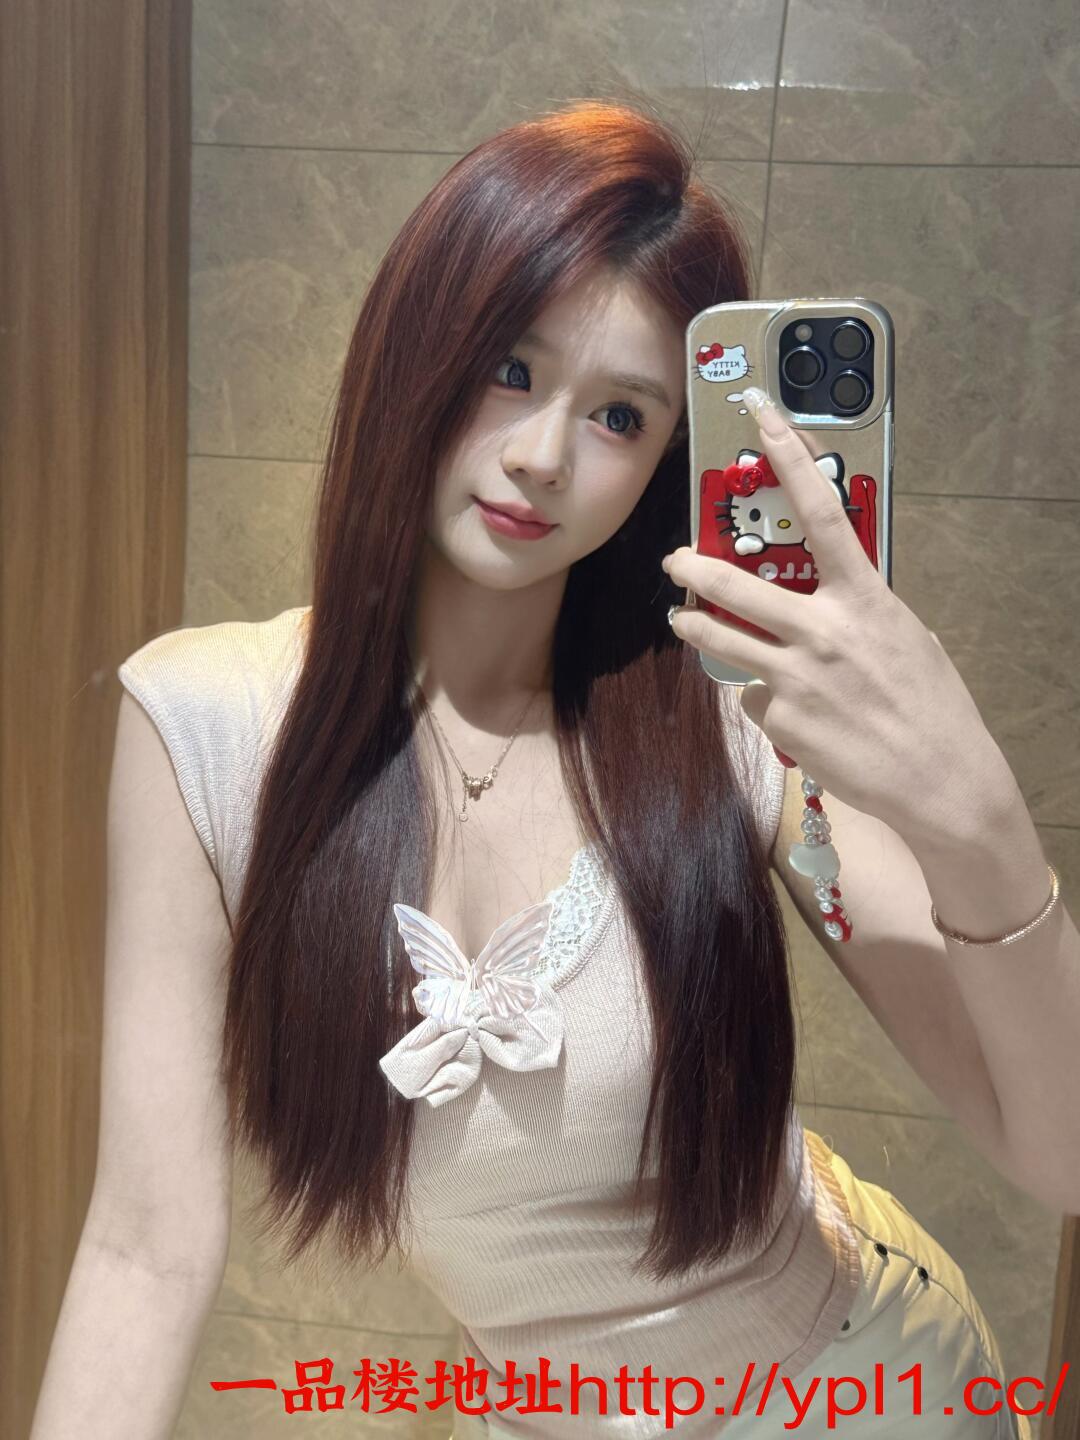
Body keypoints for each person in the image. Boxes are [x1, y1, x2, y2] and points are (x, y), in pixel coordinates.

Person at [34, 97, 1074, 1439]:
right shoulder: (202, 724)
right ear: (413, 348)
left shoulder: (725, 717)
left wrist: (976, 815)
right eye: (509, 370)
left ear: (661, 462)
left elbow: (1057, 1154)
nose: (539, 457)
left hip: (862, 1391)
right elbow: (145, 1248)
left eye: (620, 416)